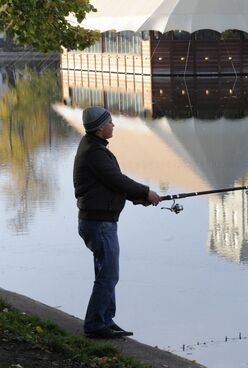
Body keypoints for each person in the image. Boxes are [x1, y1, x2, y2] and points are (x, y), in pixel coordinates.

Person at [73, 106, 161, 339]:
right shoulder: (95, 152)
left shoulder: (93, 147)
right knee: (109, 274)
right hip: (99, 223)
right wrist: (146, 192)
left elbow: (111, 185)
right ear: (101, 127)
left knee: (105, 272)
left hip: (98, 220)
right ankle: (94, 324)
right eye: (110, 122)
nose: (114, 125)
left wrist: (141, 198)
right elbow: (116, 180)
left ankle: (105, 319)